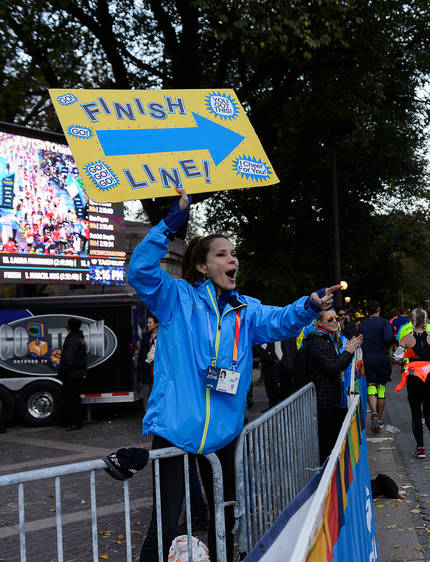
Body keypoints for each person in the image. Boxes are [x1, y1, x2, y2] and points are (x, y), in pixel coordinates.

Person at [129, 188, 338, 562]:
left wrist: (308, 305)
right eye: (222, 254)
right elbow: (140, 271)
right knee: (164, 524)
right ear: (201, 266)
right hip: (175, 428)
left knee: (225, 516)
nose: (233, 260)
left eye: (234, 254)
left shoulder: (247, 310)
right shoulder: (176, 298)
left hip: (224, 431)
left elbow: (281, 321)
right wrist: (170, 224)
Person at [304, 310, 363, 463]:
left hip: (332, 398)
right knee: (326, 444)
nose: (335, 321)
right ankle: (325, 478)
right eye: (330, 318)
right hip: (323, 401)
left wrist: (351, 348)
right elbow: (333, 367)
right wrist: (348, 352)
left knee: (333, 440)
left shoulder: (328, 338)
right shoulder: (318, 342)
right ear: (319, 322)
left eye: (336, 318)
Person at [397, 308, 430, 458]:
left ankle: (420, 448)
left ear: (412, 321)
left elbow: (396, 357)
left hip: (414, 377)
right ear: (425, 321)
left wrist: (406, 359)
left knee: (415, 413)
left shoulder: (406, 338)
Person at [358, 300, 393, 433]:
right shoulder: (385, 322)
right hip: (382, 358)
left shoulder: (362, 325)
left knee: (371, 386)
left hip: (367, 358)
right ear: (379, 309)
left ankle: (372, 412)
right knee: (381, 388)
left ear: (367, 311)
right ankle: (379, 418)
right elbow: (388, 337)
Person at [57, 317, 87, 431]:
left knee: (72, 400)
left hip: (72, 375)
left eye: (67, 323)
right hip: (75, 374)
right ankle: (69, 421)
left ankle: (74, 423)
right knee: (73, 399)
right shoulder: (78, 338)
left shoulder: (73, 340)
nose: (65, 324)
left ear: (70, 326)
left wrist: (61, 370)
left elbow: (69, 359)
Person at [136, 314, 158, 406]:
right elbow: (140, 354)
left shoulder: (163, 336)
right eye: (147, 323)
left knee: (156, 393)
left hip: (158, 370)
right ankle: (147, 416)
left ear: (156, 324)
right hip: (146, 370)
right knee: (146, 393)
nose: (148, 325)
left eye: (150, 322)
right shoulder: (145, 337)